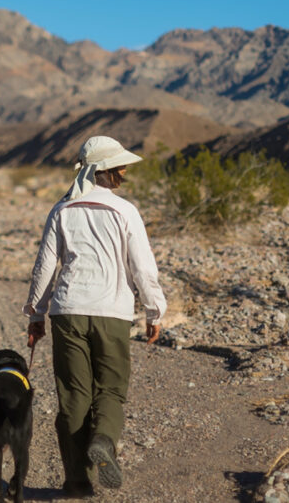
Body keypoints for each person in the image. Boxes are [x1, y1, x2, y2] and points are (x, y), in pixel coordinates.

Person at [23, 135, 167, 498]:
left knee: (73, 396)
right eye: (120, 168)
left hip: (68, 312)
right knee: (111, 389)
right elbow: (143, 269)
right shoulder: (126, 211)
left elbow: (44, 268)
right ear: (107, 171)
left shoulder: (61, 210)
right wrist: (155, 311)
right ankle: (104, 438)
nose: (123, 174)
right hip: (112, 313)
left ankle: (76, 482)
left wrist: (36, 314)